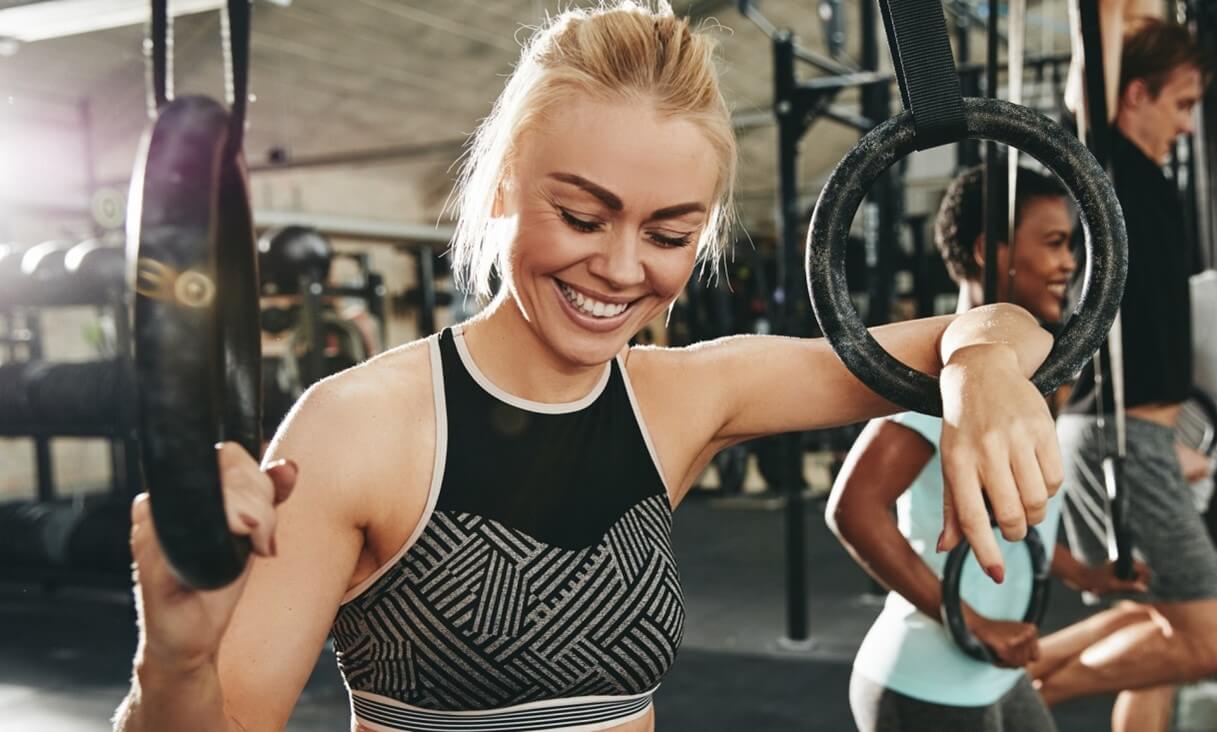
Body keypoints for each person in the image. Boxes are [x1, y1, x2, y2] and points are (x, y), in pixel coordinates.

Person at [114, 3, 1064, 731]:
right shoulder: (356, 427)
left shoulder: (684, 398)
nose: (618, 267)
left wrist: (979, 368)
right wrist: (173, 663)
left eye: (668, 233)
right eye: (579, 215)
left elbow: (1007, 322)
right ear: (501, 188)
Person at [828, 165, 1148, 732]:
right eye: (1054, 243)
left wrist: (1086, 577)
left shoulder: (1009, 381)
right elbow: (852, 508)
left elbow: (1012, 524)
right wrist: (970, 621)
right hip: (925, 682)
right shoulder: (947, 383)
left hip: (996, 677)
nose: (1070, 263)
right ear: (988, 250)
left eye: (1071, 245)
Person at [1032, 5, 1217, 732]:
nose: (1187, 126)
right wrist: (1112, 14)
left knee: (1158, 619)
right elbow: (1093, 63)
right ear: (1132, 94)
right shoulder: (1105, 165)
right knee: (1206, 643)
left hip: (1138, 440)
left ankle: (1018, 673)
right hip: (1121, 441)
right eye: (1180, 105)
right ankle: (1022, 691)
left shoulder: (1143, 175)